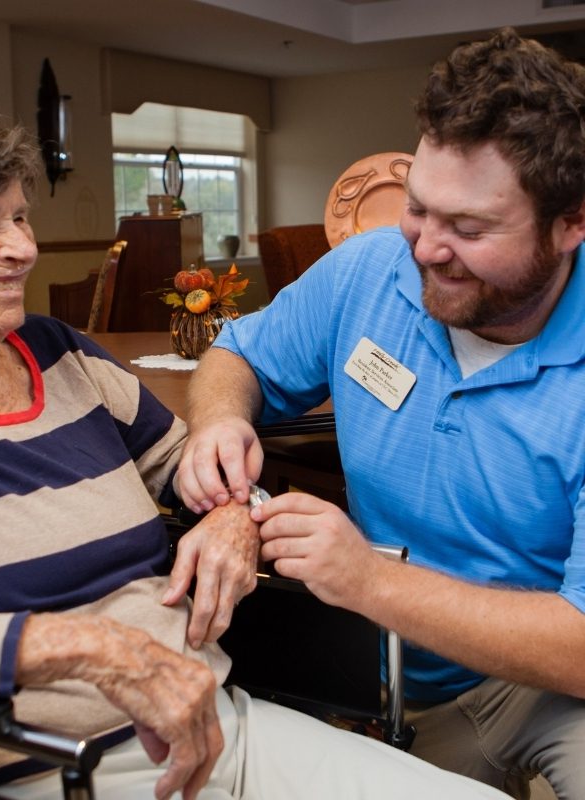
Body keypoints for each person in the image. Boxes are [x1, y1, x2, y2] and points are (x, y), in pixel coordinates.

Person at [0, 95, 508, 800]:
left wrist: (232, 514)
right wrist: (85, 649)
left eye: (20, 217)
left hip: (221, 725)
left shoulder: (61, 356)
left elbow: (196, 469)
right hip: (29, 767)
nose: (23, 249)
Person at [178, 27, 585, 800]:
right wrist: (220, 421)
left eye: (469, 229)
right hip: (400, 685)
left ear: (573, 222)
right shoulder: (369, 268)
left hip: (553, 683)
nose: (426, 249)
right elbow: (239, 356)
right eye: (420, 210)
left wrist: (367, 581)